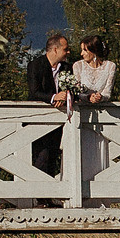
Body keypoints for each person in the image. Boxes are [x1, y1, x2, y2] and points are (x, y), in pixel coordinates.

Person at [26, 32, 72, 176]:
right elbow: (34, 92)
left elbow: (72, 90)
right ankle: (37, 196)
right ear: (55, 50)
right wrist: (54, 97)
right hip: (39, 120)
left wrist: (66, 96)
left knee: (53, 157)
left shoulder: (67, 68)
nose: (68, 52)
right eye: (66, 49)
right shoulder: (35, 65)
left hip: (60, 121)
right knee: (40, 157)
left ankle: (47, 197)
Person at [72, 35, 116, 108]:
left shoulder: (110, 66)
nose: (81, 53)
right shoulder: (78, 66)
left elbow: (107, 93)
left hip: (103, 109)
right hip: (83, 109)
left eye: (85, 50)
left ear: (94, 51)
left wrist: (100, 97)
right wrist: (88, 97)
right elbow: (77, 92)